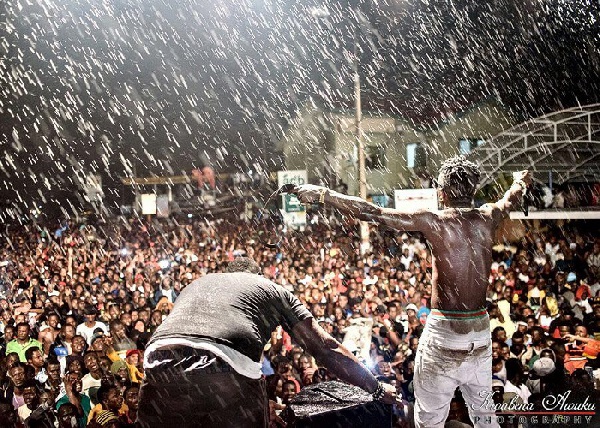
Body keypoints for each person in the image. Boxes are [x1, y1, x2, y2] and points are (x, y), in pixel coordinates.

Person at [294, 156, 532, 427]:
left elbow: (372, 212)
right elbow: (511, 198)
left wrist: (324, 195)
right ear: (474, 190)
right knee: (486, 418)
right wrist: (520, 182)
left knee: (429, 419)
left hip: (445, 331)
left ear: (442, 193)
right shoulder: (489, 215)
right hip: (479, 330)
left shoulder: (435, 221)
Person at [138, 257, 399, 428]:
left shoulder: (198, 283)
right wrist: (375, 389)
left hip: (158, 367)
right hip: (224, 367)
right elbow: (324, 347)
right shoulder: (269, 288)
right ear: (260, 275)